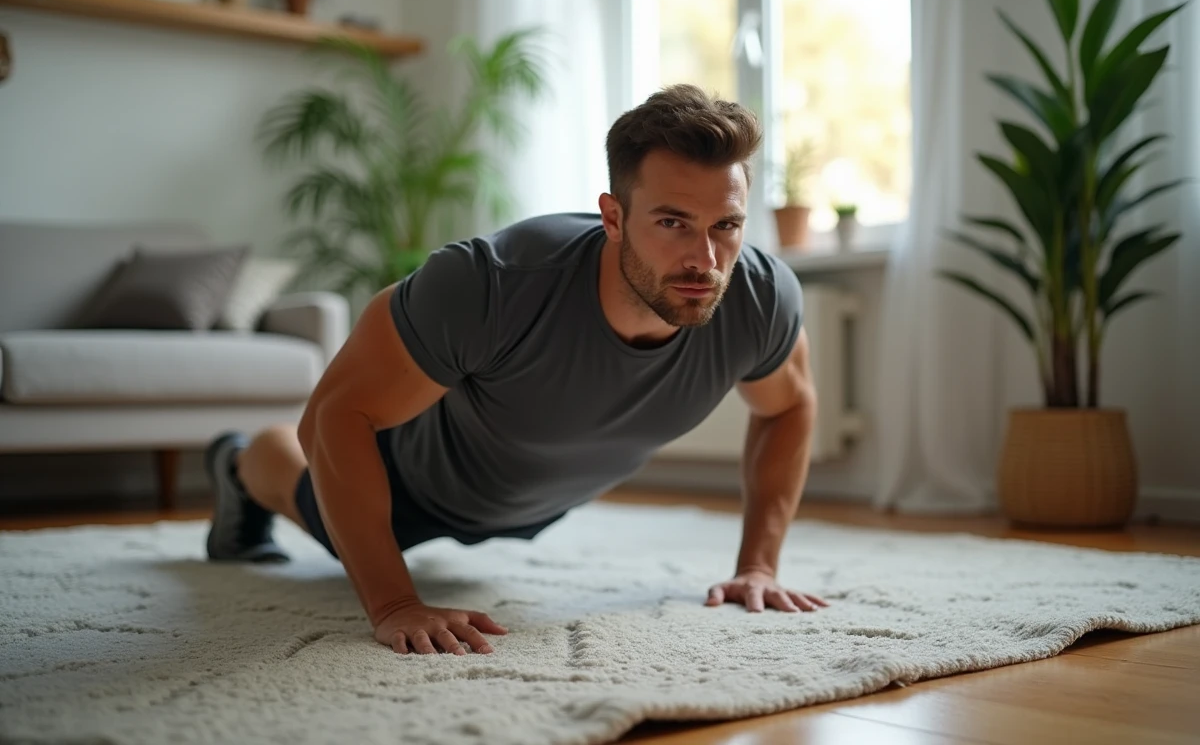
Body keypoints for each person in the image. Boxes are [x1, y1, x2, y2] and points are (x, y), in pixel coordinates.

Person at [203, 83, 829, 658]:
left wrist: (758, 566)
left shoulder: (760, 299)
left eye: (726, 225)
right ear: (613, 218)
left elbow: (790, 406)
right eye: (673, 222)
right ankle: (240, 463)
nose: (705, 259)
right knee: (314, 505)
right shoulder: (489, 284)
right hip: (413, 480)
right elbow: (334, 415)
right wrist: (394, 604)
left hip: (533, 494)